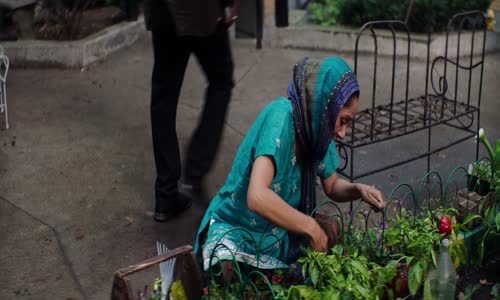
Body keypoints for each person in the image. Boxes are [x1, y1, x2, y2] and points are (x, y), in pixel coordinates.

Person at [194, 57, 387, 271]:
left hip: (278, 233)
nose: (342, 132)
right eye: (342, 121)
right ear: (324, 108)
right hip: (238, 228)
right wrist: (310, 226)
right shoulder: (280, 118)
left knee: (331, 229)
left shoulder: (317, 132)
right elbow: (257, 197)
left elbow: (332, 186)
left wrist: (359, 190)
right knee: (226, 268)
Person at [143, 0, 237, 222]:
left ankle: (166, 195)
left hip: (163, 11)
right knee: (221, 81)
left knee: (163, 99)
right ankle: (195, 170)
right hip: (201, 12)